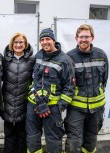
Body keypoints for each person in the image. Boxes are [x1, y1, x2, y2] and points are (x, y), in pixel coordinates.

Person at [26, 28, 75, 153]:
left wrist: (59, 107)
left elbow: (69, 87)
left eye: (47, 39)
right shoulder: (38, 56)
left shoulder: (65, 60)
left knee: (53, 142)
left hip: (52, 109)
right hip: (34, 105)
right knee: (32, 139)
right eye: (42, 39)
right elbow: (32, 80)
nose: (44, 42)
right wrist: (35, 99)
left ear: (53, 40)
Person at [65, 24, 109, 153]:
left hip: (96, 109)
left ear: (92, 38)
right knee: (74, 141)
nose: (83, 39)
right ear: (76, 38)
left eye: (86, 36)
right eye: (81, 37)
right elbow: (67, 83)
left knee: (91, 141)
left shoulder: (101, 55)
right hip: (76, 109)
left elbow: (104, 80)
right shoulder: (69, 57)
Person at [1, 32, 35, 153]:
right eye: (16, 42)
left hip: (25, 107)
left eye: (21, 42)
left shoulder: (32, 60)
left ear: (25, 44)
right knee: (9, 138)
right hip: (8, 106)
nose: (18, 44)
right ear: (12, 44)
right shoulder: (5, 60)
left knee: (22, 139)